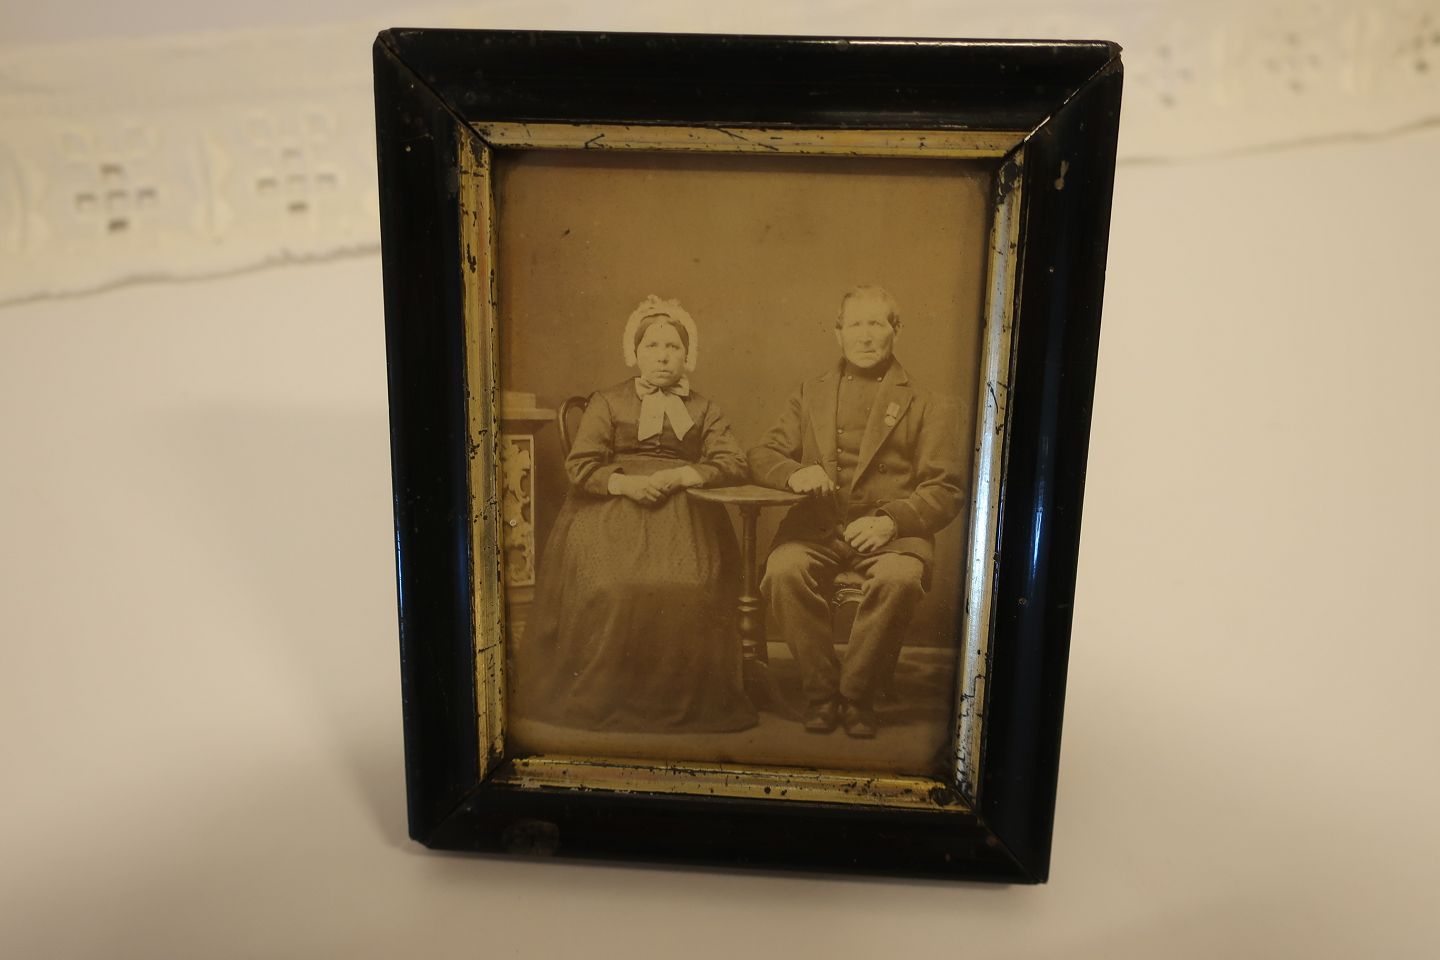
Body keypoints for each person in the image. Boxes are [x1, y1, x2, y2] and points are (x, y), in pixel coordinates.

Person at [515, 296, 757, 733]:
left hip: (684, 510)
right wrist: (625, 484)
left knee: (691, 589)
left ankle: (676, 698)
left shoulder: (704, 408)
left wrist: (683, 474)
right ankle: (610, 694)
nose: (663, 356)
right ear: (636, 352)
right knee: (613, 587)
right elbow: (580, 466)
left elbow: (734, 462)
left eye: (673, 347)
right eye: (652, 346)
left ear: (687, 355)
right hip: (610, 509)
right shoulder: (608, 402)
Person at [749, 286, 965, 738]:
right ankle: (821, 694)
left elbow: (945, 488)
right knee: (782, 571)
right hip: (817, 530)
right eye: (855, 324)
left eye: (876, 324)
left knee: (899, 579)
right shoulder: (809, 393)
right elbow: (763, 454)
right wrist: (795, 473)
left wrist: (891, 522)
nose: (865, 336)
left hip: (890, 538)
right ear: (838, 333)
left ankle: (856, 695)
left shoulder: (928, 402)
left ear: (895, 330)